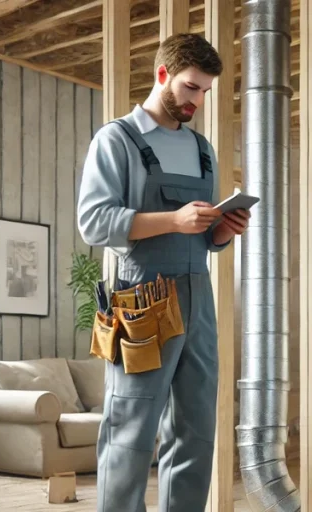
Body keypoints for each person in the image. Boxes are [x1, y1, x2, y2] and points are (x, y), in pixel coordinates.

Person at [76, 33, 250, 512]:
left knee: (196, 429)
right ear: (162, 75)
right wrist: (174, 220)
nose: (198, 101)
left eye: (205, 91)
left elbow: (201, 239)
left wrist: (223, 230)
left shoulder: (202, 149)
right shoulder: (117, 140)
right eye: (191, 87)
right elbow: (93, 222)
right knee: (130, 429)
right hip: (141, 297)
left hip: (199, 300)